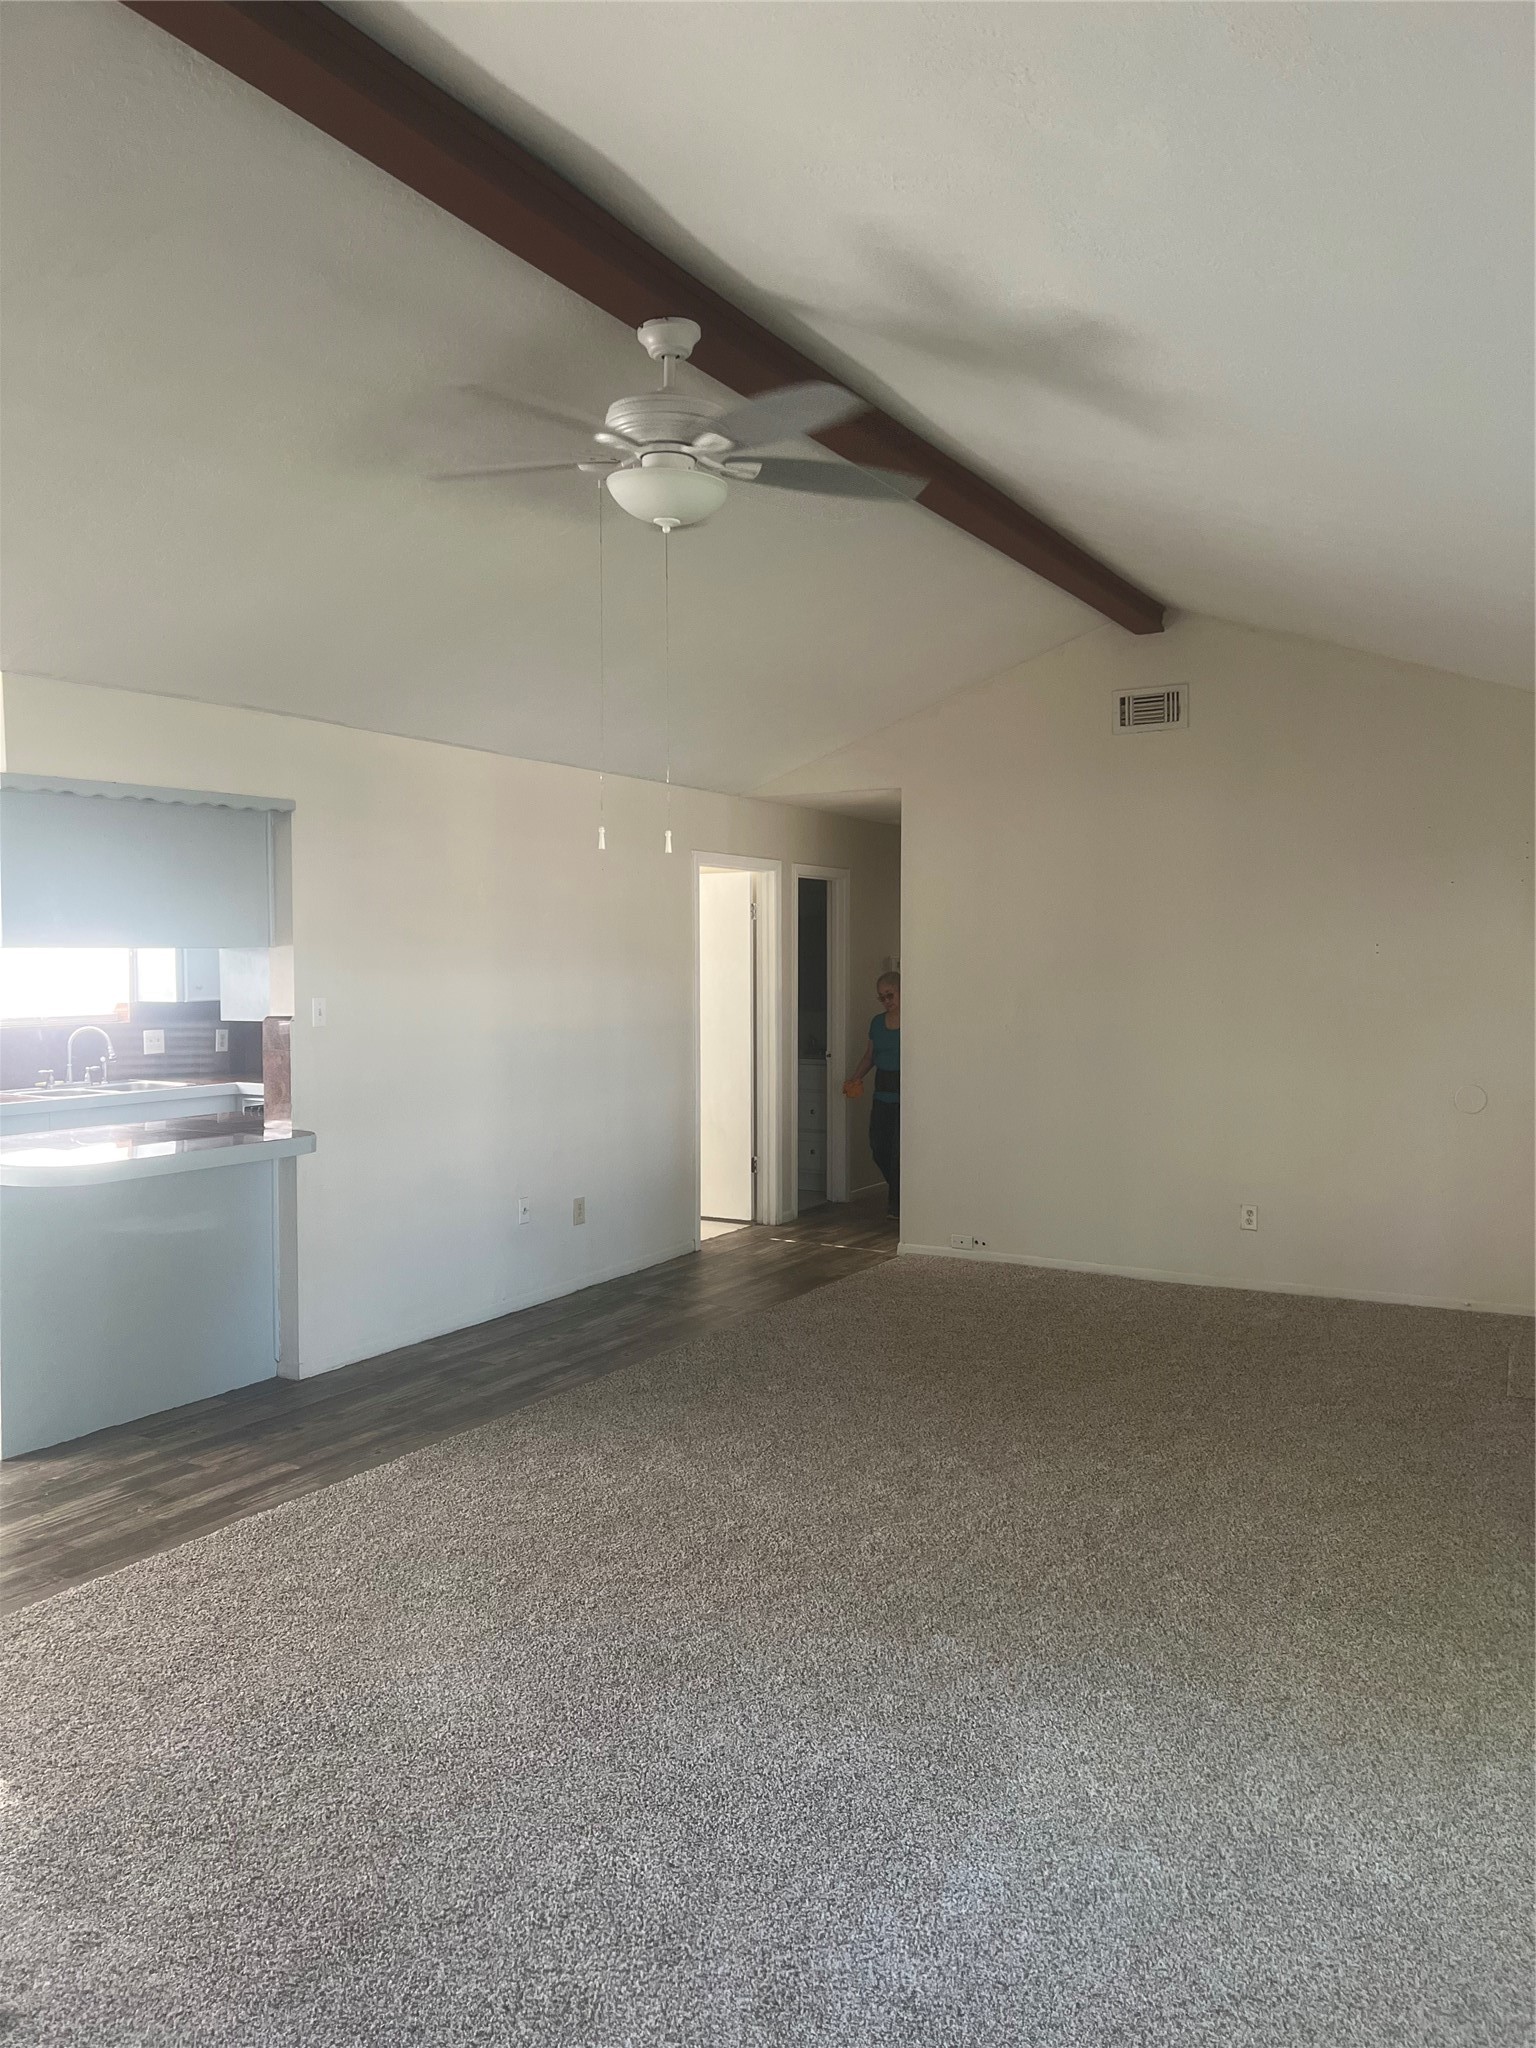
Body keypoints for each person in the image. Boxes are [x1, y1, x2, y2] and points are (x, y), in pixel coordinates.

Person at [846, 972, 900, 1218]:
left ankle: (897, 1204)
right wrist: (856, 1077)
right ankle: (901, 1191)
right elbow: (870, 1056)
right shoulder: (877, 1023)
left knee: (899, 1152)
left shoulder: (915, 1020)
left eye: (890, 995)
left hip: (906, 1095)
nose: (886, 1001)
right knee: (878, 1147)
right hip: (882, 1094)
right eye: (882, 998)